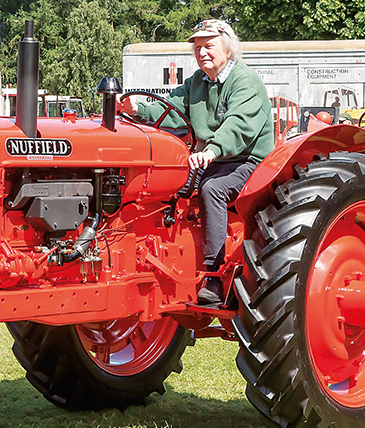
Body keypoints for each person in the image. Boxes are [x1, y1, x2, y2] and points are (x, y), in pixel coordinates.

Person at [117, 19, 273, 305]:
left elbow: (238, 125)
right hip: (210, 159)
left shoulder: (245, 81)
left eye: (209, 46)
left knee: (213, 189)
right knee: (167, 186)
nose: (202, 52)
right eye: (197, 47)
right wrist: (138, 109)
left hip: (247, 161)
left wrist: (212, 150)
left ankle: (213, 275)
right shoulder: (197, 83)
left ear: (227, 47)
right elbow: (172, 109)